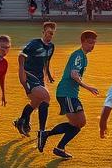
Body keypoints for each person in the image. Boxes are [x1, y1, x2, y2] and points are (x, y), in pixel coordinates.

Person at [39, 30, 100, 159]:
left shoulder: (83, 57)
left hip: (71, 94)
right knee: (77, 123)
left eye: (94, 43)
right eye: (89, 43)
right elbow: (74, 75)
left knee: (80, 123)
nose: (92, 46)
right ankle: (49, 138)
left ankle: (55, 143)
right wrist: (88, 87)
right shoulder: (78, 56)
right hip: (66, 93)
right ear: (82, 42)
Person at [14, 22, 56, 139]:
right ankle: (42, 132)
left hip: (39, 77)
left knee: (36, 103)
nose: (50, 36)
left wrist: (49, 75)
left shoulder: (51, 47)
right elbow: (21, 56)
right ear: (43, 32)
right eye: (48, 33)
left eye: (52, 34)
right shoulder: (34, 44)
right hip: (29, 75)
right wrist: (23, 78)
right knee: (46, 97)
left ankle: (21, 121)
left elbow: (46, 62)